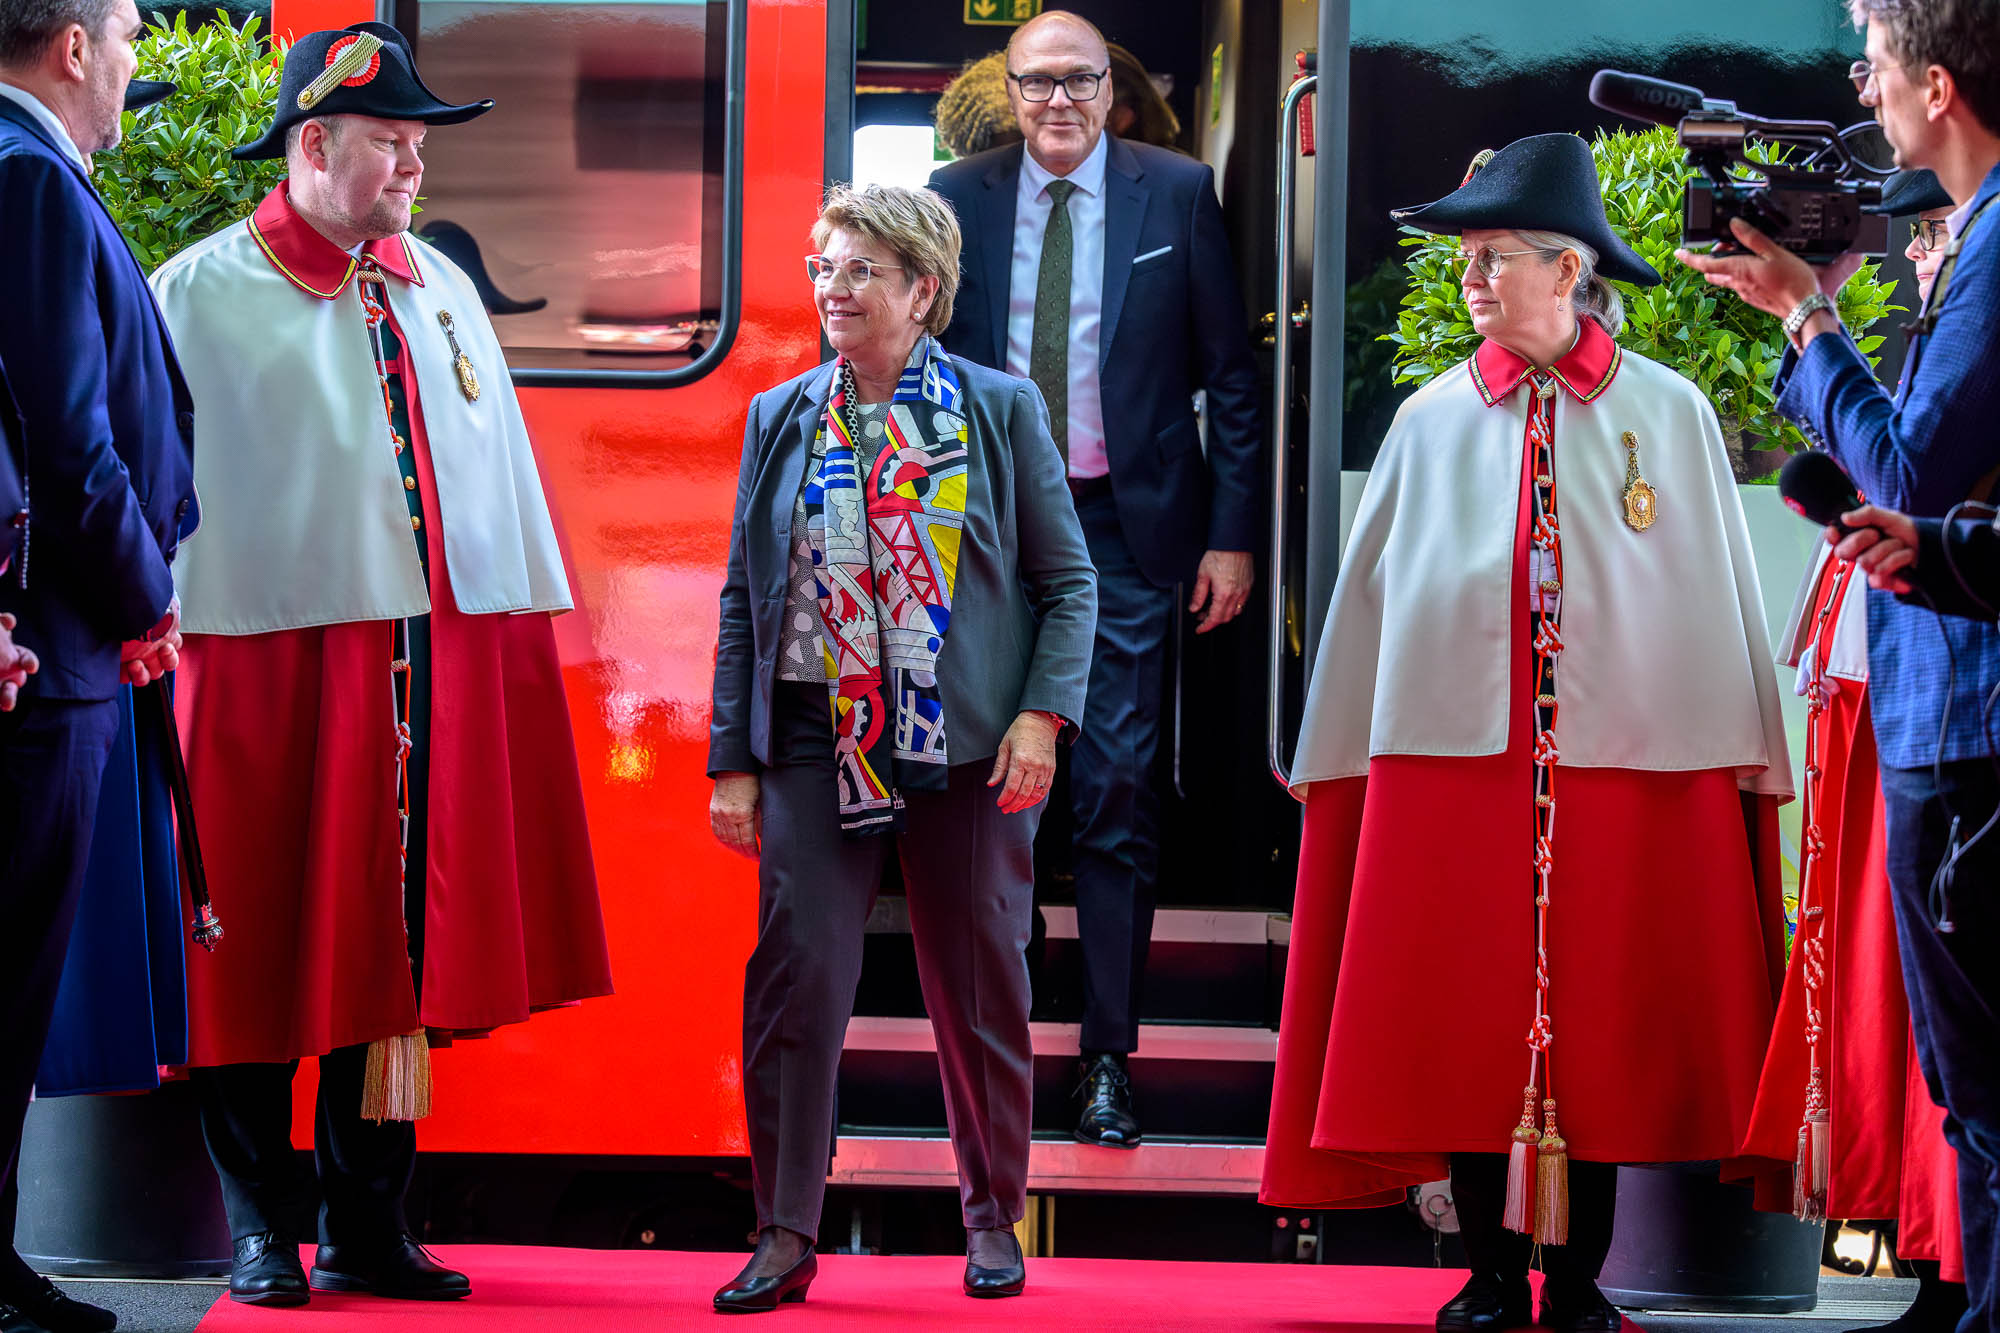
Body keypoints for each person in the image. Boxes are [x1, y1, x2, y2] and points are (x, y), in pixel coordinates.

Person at [1263, 134, 1794, 1333]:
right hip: (1461, 770)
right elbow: (1372, 607)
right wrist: (1346, 748)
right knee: (1462, 1017)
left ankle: (1581, 1281)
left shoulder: (1668, 409)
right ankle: (1491, 1276)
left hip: (1623, 768)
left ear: (1568, 272)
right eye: (1464, 258)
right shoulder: (1432, 418)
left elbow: (1710, 595)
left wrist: (1738, 751)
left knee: (1604, 1030)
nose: (1469, 279)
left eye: (1493, 257)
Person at [149, 23, 612, 1308]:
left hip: (422, 664)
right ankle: (258, 1224)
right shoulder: (200, 288)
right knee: (250, 941)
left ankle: (367, 1219)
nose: (415, 165)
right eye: (392, 144)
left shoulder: (434, 283)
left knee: (394, 945)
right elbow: (152, 488)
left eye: (419, 145)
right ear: (313, 145)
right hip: (263, 658)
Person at [706, 182, 1095, 1310]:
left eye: (861, 268)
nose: (834, 287)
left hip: (962, 745)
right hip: (803, 738)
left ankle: (991, 1220)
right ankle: (783, 1229)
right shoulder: (780, 414)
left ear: (922, 289)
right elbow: (744, 598)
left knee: (979, 984)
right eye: (824, 266)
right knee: (795, 982)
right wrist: (731, 757)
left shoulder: (999, 408)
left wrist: (1039, 716)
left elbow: (1068, 586)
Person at [1679, 3, 2000, 1327]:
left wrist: (1810, 325)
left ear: (1935, 84)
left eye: (1871, 61)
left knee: (1983, 1090)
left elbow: (1918, 466)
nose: (1859, 89)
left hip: (1972, 711)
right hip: (1952, 695)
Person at [927, 9, 1261, 1149]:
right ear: (1009, 93)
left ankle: (1107, 1058)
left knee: (1115, 784)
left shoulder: (1173, 192)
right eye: (1036, 84)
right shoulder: (953, 193)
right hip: (985, 527)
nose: (1056, 102)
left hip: (1125, 525)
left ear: (1110, 90)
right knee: (994, 790)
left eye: (1078, 81)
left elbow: (1233, 373)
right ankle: (995, 1048)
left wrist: (1231, 534)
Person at [1742, 166, 1966, 1333]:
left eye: (1936, 233)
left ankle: (1953, 1260)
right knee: (1895, 1007)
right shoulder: (1937, 332)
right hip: (1887, 689)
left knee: (1942, 1015)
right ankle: (1926, 1249)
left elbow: (1911, 476)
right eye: (1918, 237)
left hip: (1941, 693)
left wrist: (1807, 317)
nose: (1924, 258)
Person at [0, 2, 196, 1329]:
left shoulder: (38, 177)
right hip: (52, 646)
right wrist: (145, 594)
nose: (136, 56)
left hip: (57, 639)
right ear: (71, 43)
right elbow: (69, 442)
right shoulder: (29, 181)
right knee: (6, 978)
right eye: (127, 29)